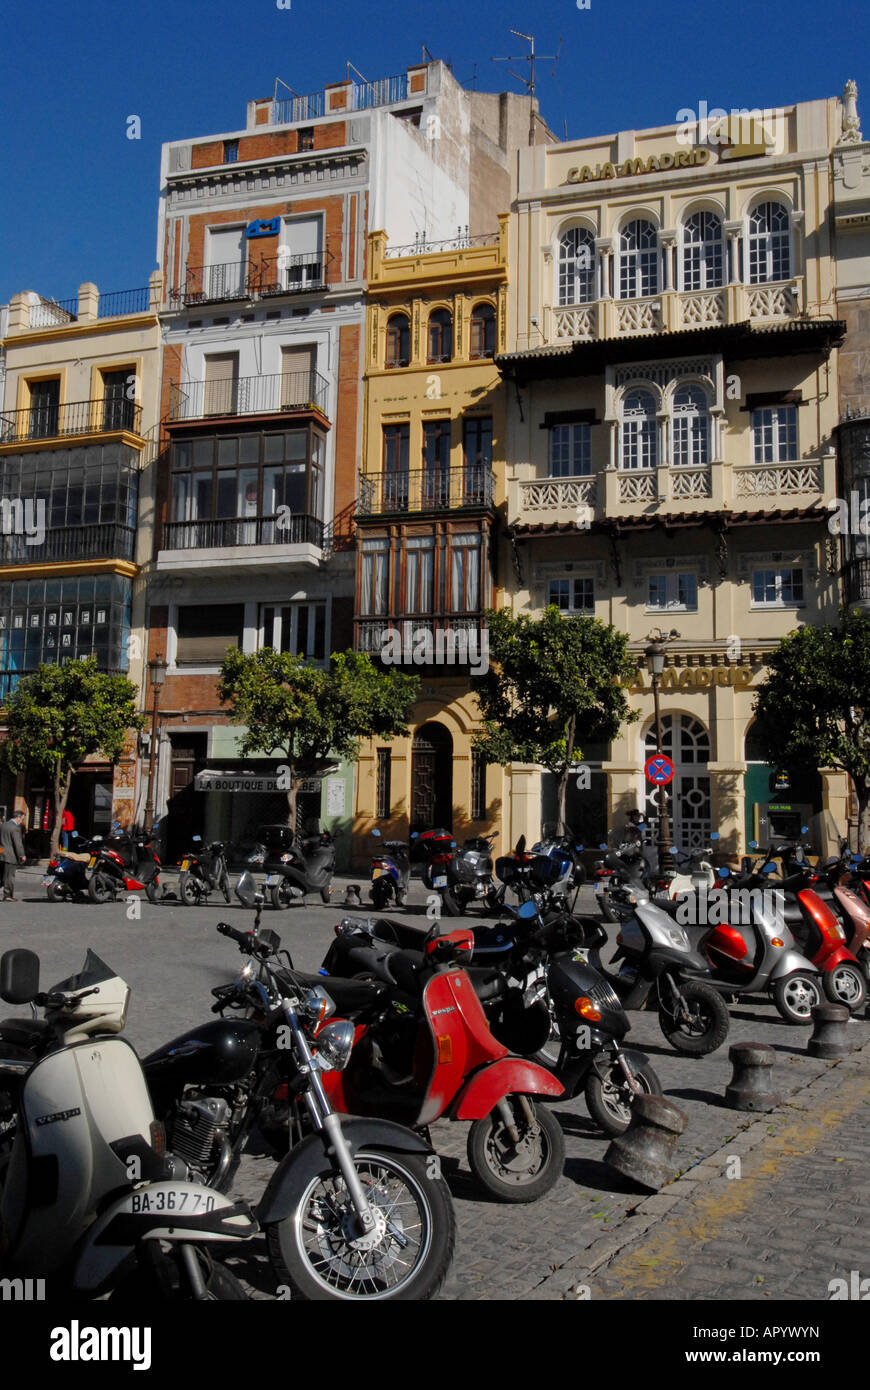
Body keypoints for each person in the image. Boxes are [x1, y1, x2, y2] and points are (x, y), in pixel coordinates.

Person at [0, 811, 27, 901]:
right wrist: (22, 855)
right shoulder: (15, 828)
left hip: (1, 853)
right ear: (18, 817)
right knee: (9, 876)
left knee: (1, 875)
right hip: (10, 856)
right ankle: (7, 895)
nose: (21, 821)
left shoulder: (3, 825)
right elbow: (18, 843)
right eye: (22, 819)